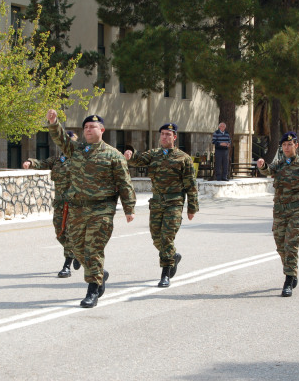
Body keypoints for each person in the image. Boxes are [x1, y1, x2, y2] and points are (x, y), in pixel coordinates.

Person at [45, 110, 136, 308]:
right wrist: (54, 122)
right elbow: (61, 140)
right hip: (77, 209)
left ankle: (93, 290)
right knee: (77, 249)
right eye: (85, 127)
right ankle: (99, 274)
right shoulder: (77, 150)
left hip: (101, 209)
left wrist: (129, 208)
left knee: (93, 250)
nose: (88, 130)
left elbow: (124, 183)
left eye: (92, 127)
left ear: (102, 130)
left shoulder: (114, 155)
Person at [124, 123, 199, 287]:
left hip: (174, 202)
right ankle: (173, 256)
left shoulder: (183, 158)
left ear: (174, 137)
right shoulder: (154, 154)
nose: (164, 137)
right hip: (157, 202)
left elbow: (191, 185)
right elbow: (139, 160)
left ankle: (165, 273)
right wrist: (131, 155)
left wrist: (192, 207)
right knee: (156, 237)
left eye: (168, 134)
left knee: (166, 237)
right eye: (162, 134)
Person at [256, 131, 299, 297]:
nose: (286, 147)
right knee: (280, 246)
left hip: (297, 210)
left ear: (296, 145)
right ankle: (291, 272)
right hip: (279, 210)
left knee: (291, 244)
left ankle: (288, 280)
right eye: (284, 145)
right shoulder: (279, 164)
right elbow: (268, 171)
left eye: (289, 144)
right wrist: (262, 165)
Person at [22, 130, 80, 278]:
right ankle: (77, 253)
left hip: (75, 203)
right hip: (60, 203)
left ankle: (67, 265)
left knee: (70, 232)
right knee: (59, 233)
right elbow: (42, 163)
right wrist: (31, 162)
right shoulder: (57, 160)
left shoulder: (80, 160)